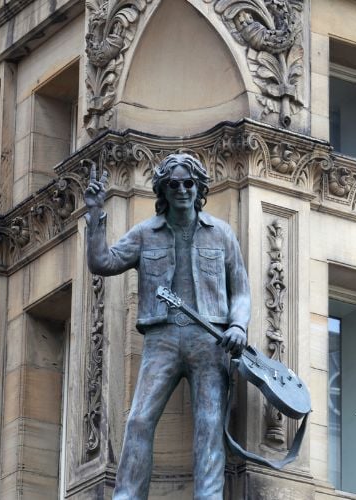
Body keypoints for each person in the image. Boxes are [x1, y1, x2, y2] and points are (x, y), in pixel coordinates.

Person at [84, 153, 251, 499]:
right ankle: (127, 495)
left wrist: (238, 326)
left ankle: (209, 496)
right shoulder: (146, 233)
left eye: (189, 183)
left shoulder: (221, 234)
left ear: (199, 187)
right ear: (163, 189)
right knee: (139, 420)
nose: (182, 190)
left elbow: (242, 291)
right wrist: (95, 214)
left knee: (208, 425)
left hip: (210, 340)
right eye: (174, 184)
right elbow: (103, 262)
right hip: (162, 339)